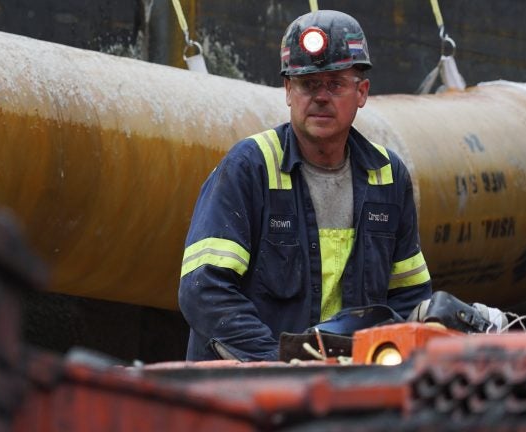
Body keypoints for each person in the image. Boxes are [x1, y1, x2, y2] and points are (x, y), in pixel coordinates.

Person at [178, 10, 432, 362]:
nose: (321, 96)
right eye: (308, 84)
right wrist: (277, 363)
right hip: (246, 391)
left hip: (347, 388)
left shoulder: (387, 176)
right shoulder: (250, 168)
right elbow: (203, 290)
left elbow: (409, 297)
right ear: (288, 91)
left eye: (335, 84)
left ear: (362, 92)